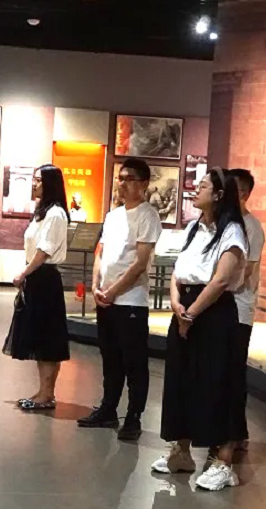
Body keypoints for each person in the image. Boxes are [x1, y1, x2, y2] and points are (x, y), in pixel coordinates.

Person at [152, 168, 248, 492]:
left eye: (203, 185)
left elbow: (221, 280)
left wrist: (191, 314)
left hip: (213, 312)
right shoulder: (194, 228)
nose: (196, 189)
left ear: (219, 194)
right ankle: (181, 450)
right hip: (186, 309)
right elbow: (178, 271)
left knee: (216, 383)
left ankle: (223, 461)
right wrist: (176, 303)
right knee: (180, 380)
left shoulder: (232, 231)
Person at [78, 158, 162, 440]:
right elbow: (100, 253)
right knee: (110, 358)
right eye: (121, 178)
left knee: (134, 362)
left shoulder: (147, 216)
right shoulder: (113, 215)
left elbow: (140, 262)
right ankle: (108, 408)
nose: (123, 183)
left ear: (144, 184)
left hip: (130, 301)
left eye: (129, 179)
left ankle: (134, 416)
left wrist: (113, 291)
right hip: (106, 299)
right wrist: (95, 285)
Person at [4, 165, 71, 411]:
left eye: (39, 180)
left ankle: (46, 394)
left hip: (45, 279)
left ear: (50, 183)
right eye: (34, 180)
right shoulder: (43, 212)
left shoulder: (55, 214)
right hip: (37, 277)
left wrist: (24, 273)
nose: (34, 184)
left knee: (47, 339)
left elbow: (44, 251)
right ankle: (44, 392)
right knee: (41, 337)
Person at [227, 168, 264, 452]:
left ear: (244, 194)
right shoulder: (228, 223)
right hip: (223, 306)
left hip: (238, 308)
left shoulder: (252, 227)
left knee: (233, 372)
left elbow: (245, 270)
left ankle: (236, 432)